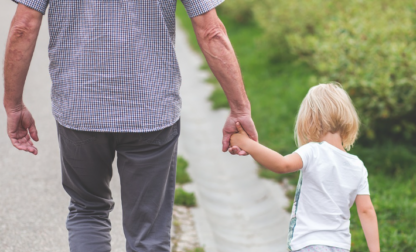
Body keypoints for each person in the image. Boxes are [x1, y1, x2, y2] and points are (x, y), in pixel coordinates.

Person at [3, 0, 257, 251]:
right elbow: (211, 31)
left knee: (88, 210)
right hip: (151, 109)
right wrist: (239, 108)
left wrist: (13, 105)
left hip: (81, 108)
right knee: (149, 232)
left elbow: (22, 27)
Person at [230, 83, 380, 252]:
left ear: (310, 119)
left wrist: (245, 143)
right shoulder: (357, 165)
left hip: (309, 244)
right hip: (340, 246)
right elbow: (366, 210)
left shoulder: (313, 151)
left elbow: (282, 164)